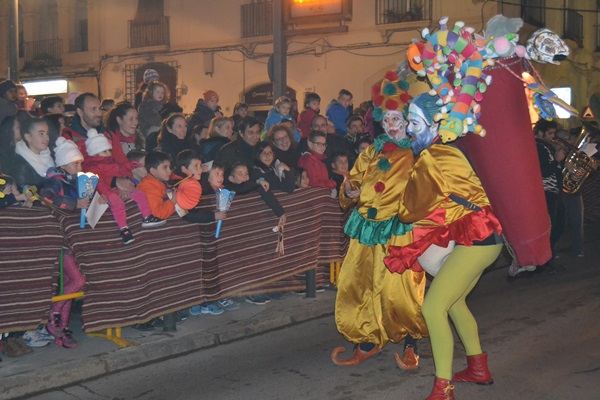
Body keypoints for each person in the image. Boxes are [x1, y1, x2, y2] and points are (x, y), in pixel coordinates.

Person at [384, 93, 503, 400]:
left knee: (433, 307)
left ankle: (443, 388)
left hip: (476, 239)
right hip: (483, 238)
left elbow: (410, 208)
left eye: (413, 122)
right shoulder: (449, 150)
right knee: (453, 303)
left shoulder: (432, 157)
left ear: (435, 123)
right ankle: (478, 368)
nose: (409, 130)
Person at [331, 71, 426, 368]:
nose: (391, 126)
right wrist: (349, 188)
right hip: (366, 228)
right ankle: (368, 339)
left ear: (406, 121)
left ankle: (411, 341)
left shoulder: (416, 150)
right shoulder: (371, 151)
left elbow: (427, 189)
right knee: (359, 284)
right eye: (386, 121)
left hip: (399, 228)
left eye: (396, 120)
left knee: (401, 288)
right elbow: (352, 183)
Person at [40, 137, 89, 348]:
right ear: (62, 164)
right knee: (76, 281)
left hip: (73, 239)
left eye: (80, 163)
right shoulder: (54, 181)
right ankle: (55, 317)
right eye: (75, 163)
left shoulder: (74, 182)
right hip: (58, 240)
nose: (79, 167)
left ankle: (61, 328)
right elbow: (46, 199)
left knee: (74, 284)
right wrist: (74, 202)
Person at [83, 129, 165, 244]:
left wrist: (130, 165)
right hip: (108, 192)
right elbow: (99, 182)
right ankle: (124, 229)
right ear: (95, 153)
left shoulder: (110, 161)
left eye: (109, 150)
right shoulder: (93, 166)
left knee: (140, 195)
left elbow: (120, 169)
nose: (108, 153)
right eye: (104, 151)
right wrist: (109, 194)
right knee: (118, 204)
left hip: (118, 188)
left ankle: (147, 217)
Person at [9, 116, 55, 190]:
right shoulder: (21, 166)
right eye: (41, 134)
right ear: (28, 137)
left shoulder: (50, 156)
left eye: (47, 134)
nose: (46, 138)